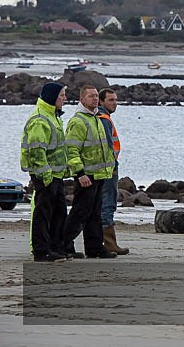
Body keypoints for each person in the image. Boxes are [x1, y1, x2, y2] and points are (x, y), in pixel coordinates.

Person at [62, 85, 117, 259]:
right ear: (82, 99)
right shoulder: (78, 121)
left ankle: (94, 247)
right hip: (86, 175)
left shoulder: (96, 118)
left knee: (95, 213)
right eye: (91, 96)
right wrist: (79, 174)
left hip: (100, 174)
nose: (94, 99)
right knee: (80, 213)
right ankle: (63, 244)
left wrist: (110, 168)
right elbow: (71, 150)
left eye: (95, 96)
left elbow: (104, 148)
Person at [20, 82, 69, 262]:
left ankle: (54, 247)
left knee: (59, 211)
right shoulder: (40, 119)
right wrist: (46, 174)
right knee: (43, 212)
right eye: (62, 95)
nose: (65, 99)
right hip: (45, 175)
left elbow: (57, 148)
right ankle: (41, 251)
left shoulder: (54, 116)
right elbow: (36, 151)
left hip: (56, 174)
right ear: (52, 97)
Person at [98, 88, 129, 255]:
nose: (115, 103)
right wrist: (112, 167)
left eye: (116, 100)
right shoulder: (103, 119)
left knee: (101, 205)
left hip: (107, 167)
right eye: (111, 100)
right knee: (107, 204)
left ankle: (105, 242)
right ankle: (109, 243)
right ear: (101, 102)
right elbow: (108, 147)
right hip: (108, 168)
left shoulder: (104, 118)